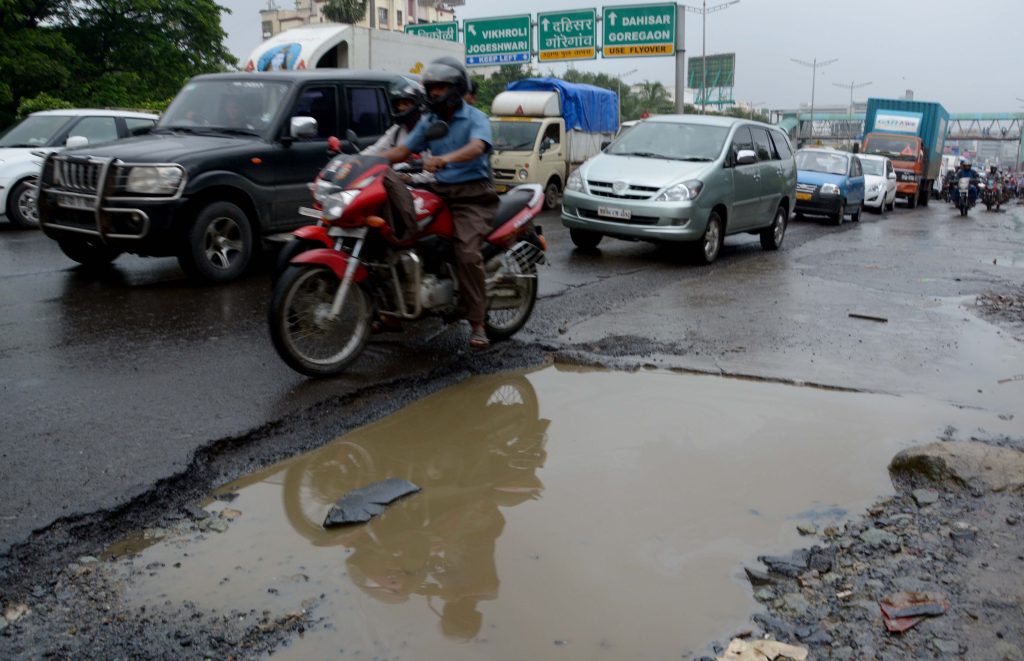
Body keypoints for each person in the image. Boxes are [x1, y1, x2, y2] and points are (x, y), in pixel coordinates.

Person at [381, 56, 500, 351]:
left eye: (440, 87)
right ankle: (393, 311)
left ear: (456, 88)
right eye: (431, 87)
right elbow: (403, 150)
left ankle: (478, 322)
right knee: (397, 233)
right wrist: (366, 161)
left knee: (467, 252)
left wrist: (444, 159)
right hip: (441, 190)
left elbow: (478, 147)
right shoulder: (431, 121)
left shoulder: (476, 118)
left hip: (474, 196)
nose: (434, 92)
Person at [362, 78, 434, 186]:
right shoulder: (397, 130)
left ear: (418, 104)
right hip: (400, 184)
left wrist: (411, 178)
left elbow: (434, 172)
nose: (401, 108)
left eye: (405, 103)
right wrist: (355, 161)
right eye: (398, 104)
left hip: (425, 188)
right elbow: (375, 149)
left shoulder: (430, 129)